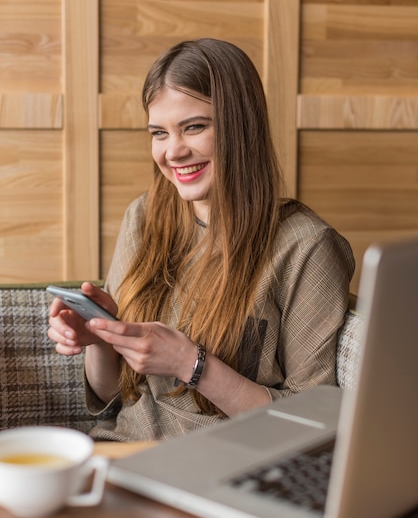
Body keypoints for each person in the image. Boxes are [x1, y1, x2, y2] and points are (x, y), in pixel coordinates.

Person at [48, 38, 355, 442]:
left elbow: (312, 425)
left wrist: (192, 364)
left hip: (227, 466)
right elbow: (112, 395)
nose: (173, 152)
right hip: (122, 452)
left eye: (194, 127)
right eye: (159, 133)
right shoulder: (143, 217)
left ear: (240, 127)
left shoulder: (306, 247)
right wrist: (100, 339)